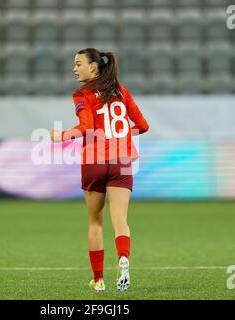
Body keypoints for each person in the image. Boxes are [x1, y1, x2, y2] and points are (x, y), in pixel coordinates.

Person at [50, 48, 149, 292]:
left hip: (95, 159)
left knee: (95, 222)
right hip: (122, 161)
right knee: (121, 222)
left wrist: (61, 135)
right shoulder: (121, 91)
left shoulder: (82, 94)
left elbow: (86, 127)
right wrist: (122, 134)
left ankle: (99, 280)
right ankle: (123, 258)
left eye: (78, 64)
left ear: (93, 67)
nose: (74, 69)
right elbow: (143, 126)